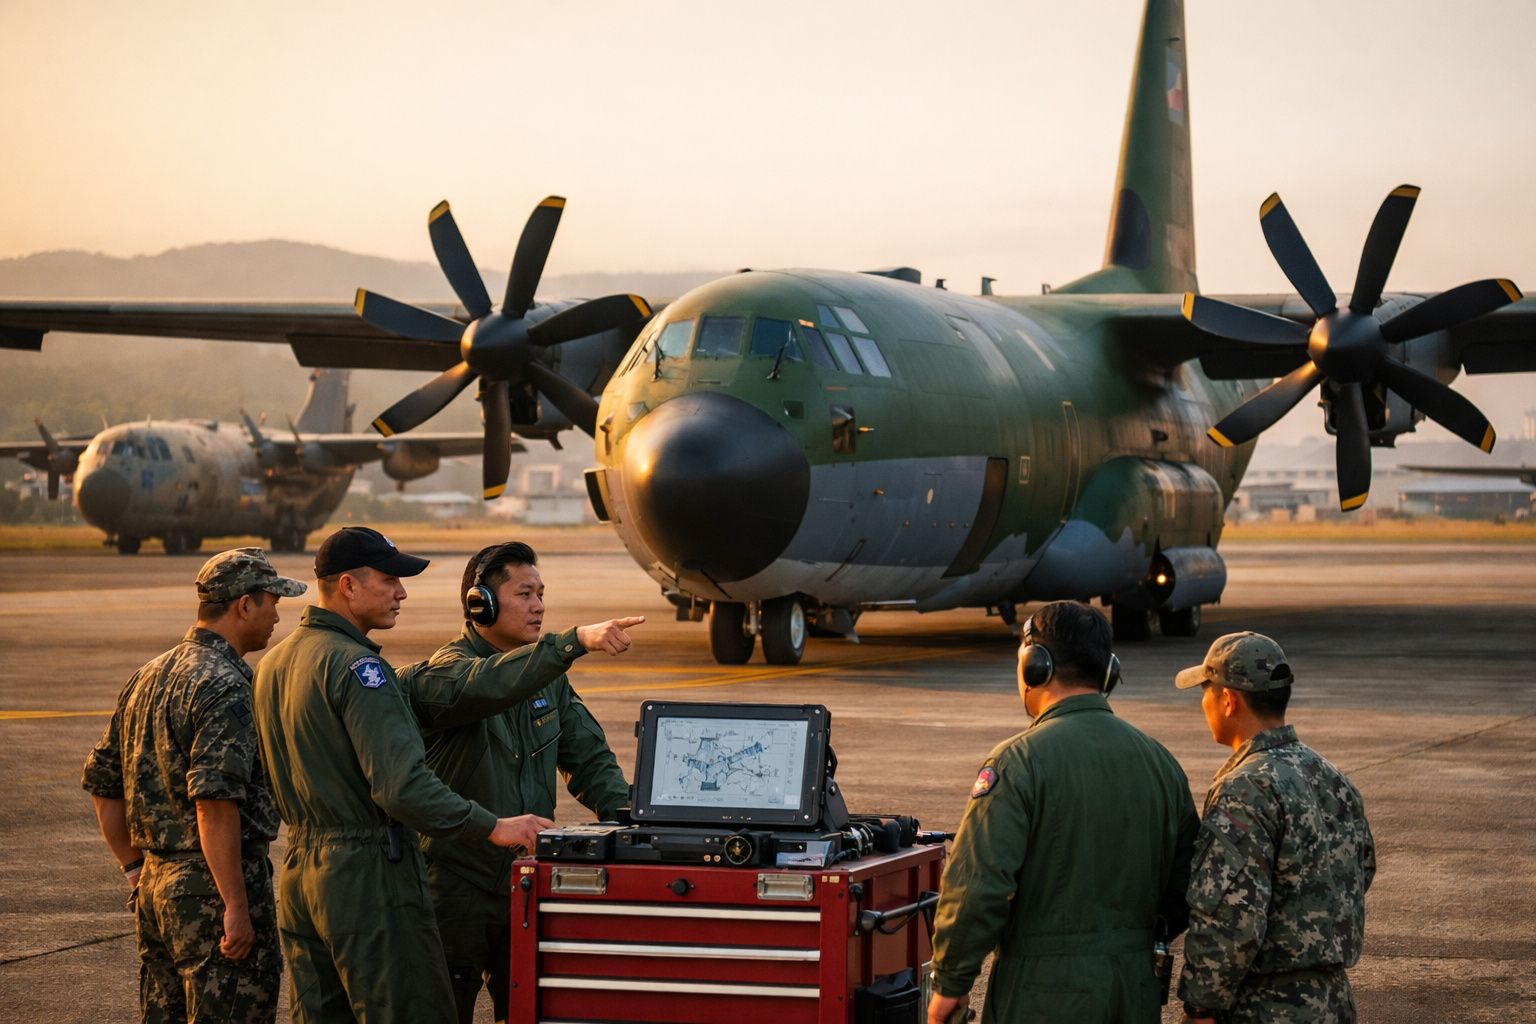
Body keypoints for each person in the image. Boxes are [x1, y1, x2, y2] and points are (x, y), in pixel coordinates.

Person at [251, 527, 546, 1024]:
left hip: (301, 876)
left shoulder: (274, 663)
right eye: (390, 580)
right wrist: (494, 827)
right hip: (367, 879)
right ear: (347, 586)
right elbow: (402, 787)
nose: (402, 593)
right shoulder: (359, 668)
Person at [397, 541, 641, 1024]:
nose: (539, 606)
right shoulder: (446, 673)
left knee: (532, 1009)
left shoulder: (544, 676)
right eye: (525, 594)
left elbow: (589, 759)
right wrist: (571, 643)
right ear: (479, 604)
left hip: (525, 882)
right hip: (455, 887)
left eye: (541, 594)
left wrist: (634, 821)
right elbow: (489, 685)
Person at [927, 601, 1199, 1024]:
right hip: (1132, 990)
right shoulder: (1160, 762)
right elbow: (1186, 883)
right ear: (1108, 672)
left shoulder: (1017, 763)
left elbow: (978, 887)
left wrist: (951, 981)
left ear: (1035, 666)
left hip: (1040, 993)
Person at [81, 547, 307, 1023]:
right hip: (213, 888)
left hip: (157, 886)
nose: (276, 614)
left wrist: (134, 868)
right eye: (271, 601)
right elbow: (214, 802)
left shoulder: (148, 674)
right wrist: (234, 905)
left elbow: (103, 783)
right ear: (244, 605)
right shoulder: (225, 684)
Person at [1174, 632, 1376, 1023]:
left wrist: (1201, 1006)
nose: (1202, 703)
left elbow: (1230, 915)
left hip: (1264, 1007)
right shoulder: (1332, 778)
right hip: (1332, 1001)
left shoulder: (1244, 788)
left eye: (1205, 691)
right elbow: (1360, 869)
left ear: (1228, 700)